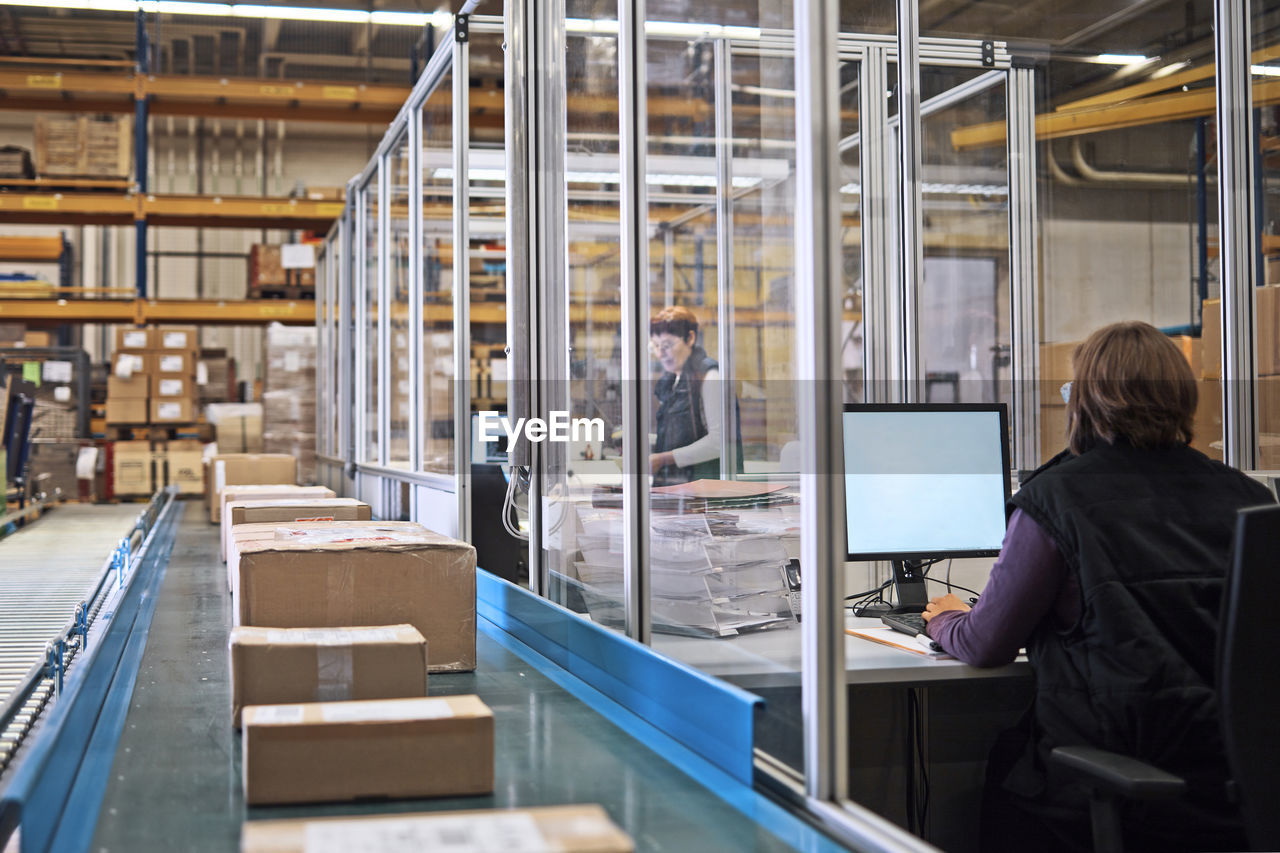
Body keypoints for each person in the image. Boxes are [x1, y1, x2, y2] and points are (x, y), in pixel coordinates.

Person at [921, 321, 1275, 853]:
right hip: (1235, 787)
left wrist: (945, 617)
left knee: (1005, 766)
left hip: (1116, 783)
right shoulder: (1249, 497)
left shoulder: (1057, 499)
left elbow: (986, 645)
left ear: (1085, 402)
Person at [649, 306, 727, 485]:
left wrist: (662, 459)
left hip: (702, 494)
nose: (661, 354)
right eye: (656, 346)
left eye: (668, 345)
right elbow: (682, 436)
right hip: (676, 490)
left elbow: (719, 442)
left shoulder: (709, 376)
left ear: (690, 338)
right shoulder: (672, 381)